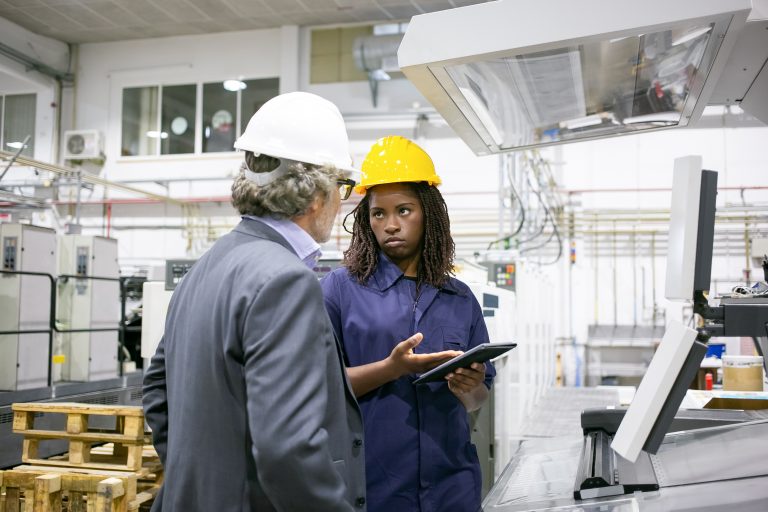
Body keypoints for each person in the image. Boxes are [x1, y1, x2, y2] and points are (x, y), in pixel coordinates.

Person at [143, 92, 367, 511]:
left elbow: (158, 392)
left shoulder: (206, 267)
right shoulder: (285, 279)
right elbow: (288, 448)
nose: (342, 203)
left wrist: (207, 480)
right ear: (317, 193)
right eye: (343, 187)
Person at [320, 136, 496, 512]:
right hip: (375, 488)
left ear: (428, 213)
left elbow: (479, 399)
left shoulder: (460, 298)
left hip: (453, 487)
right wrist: (390, 369)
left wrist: (471, 385)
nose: (391, 225)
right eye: (378, 214)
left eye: (404, 210)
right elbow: (320, 386)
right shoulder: (339, 290)